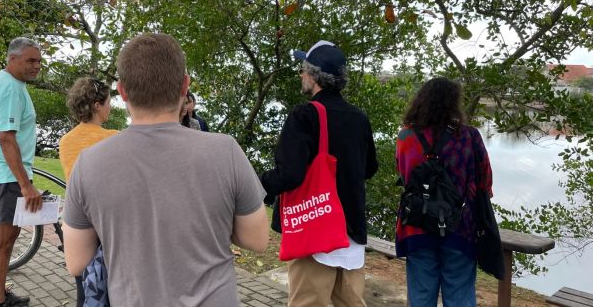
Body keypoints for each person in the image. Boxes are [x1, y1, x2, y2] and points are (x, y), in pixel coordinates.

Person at [62, 33, 269, 306]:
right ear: (184, 86)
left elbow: (76, 262)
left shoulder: (89, 163)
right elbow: (257, 239)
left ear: (122, 91)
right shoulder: (226, 151)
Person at [259, 40, 378, 307]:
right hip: (351, 232)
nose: (301, 74)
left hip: (316, 231)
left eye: (303, 69)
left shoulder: (305, 115)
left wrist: (257, 185)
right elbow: (369, 168)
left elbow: (290, 174)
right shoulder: (359, 117)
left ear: (314, 76)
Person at [395, 77, 493, 307]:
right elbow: (485, 182)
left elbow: (404, 174)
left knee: (420, 297)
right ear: (454, 103)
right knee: (459, 296)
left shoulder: (406, 137)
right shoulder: (469, 136)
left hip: (417, 224)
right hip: (460, 227)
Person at [0, 37, 43, 307]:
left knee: (5, 242)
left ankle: (0, 293)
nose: (37, 66)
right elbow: (6, 138)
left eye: (39, 61)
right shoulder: (11, 89)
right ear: (12, 59)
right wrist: (26, 185)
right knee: (2, 244)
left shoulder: (0, 80)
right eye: (30, 60)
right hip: (5, 177)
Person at [58, 77, 118, 306]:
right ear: (97, 105)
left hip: (77, 220)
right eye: (108, 102)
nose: (109, 107)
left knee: (84, 286)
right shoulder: (113, 138)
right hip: (106, 223)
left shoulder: (66, 141)